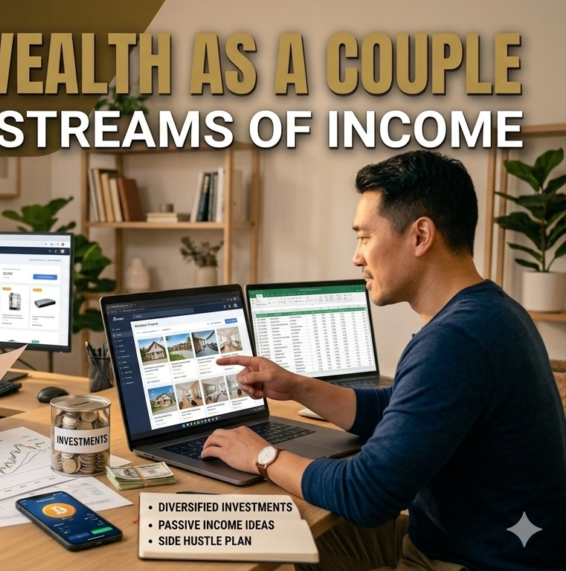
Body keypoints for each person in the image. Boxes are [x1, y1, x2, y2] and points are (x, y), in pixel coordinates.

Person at [200, 151, 566, 570]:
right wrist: (299, 386)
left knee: (265, 544)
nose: (357, 256)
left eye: (364, 236)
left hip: (467, 561)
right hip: (470, 543)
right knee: (289, 534)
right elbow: (400, 408)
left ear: (420, 235)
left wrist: (262, 458)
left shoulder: (455, 340)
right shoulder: (490, 312)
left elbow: (367, 494)